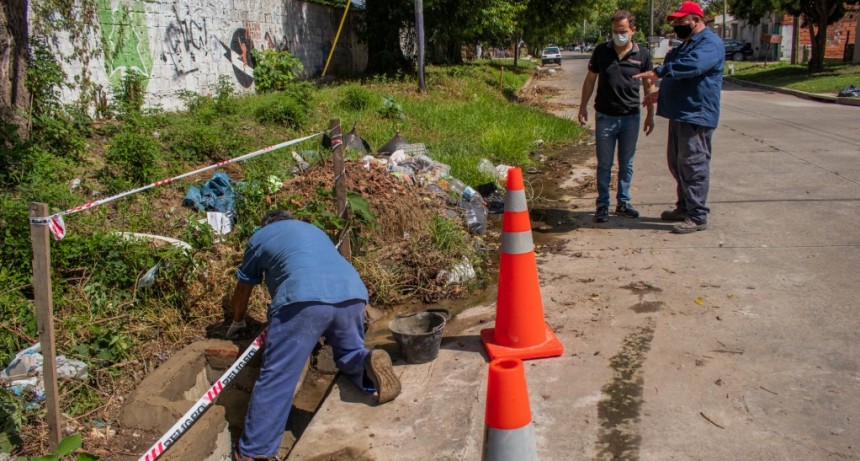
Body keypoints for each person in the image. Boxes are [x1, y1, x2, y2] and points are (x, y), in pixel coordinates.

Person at [227, 210, 401, 461]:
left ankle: (254, 452)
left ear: (266, 224)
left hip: (302, 301)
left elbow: (244, 287)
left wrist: (237, 320)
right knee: (349, 351)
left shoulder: (260, 237)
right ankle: (366, 361)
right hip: (352, 293)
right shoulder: (313, 230)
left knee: (279, 375)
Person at [633, 1, 724, 233]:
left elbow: (691, 67)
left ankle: (697, 215)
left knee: (693, 165)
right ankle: (684, 206)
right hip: (681, 113)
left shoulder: (709, 44)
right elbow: (683, 77)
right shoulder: (688, 43)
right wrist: (661, 94)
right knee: (678, 164)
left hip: (696, 115)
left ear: (696, 19)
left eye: (681, 21)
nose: (677, 26)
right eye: (675, 22)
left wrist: (659, 71)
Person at [578, 10, 656, 223]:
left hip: (631, 117)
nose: (618, 35)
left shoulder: (643, 55)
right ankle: (602, 204)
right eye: (614, 31)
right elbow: (590, 80)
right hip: (605, 116)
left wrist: (650, 115)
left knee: (626, 163)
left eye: (622, 31)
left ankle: (623, 202)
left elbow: (649, 85)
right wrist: (582, 107)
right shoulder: (602, 51)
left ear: (633, 30)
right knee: (604, 164)